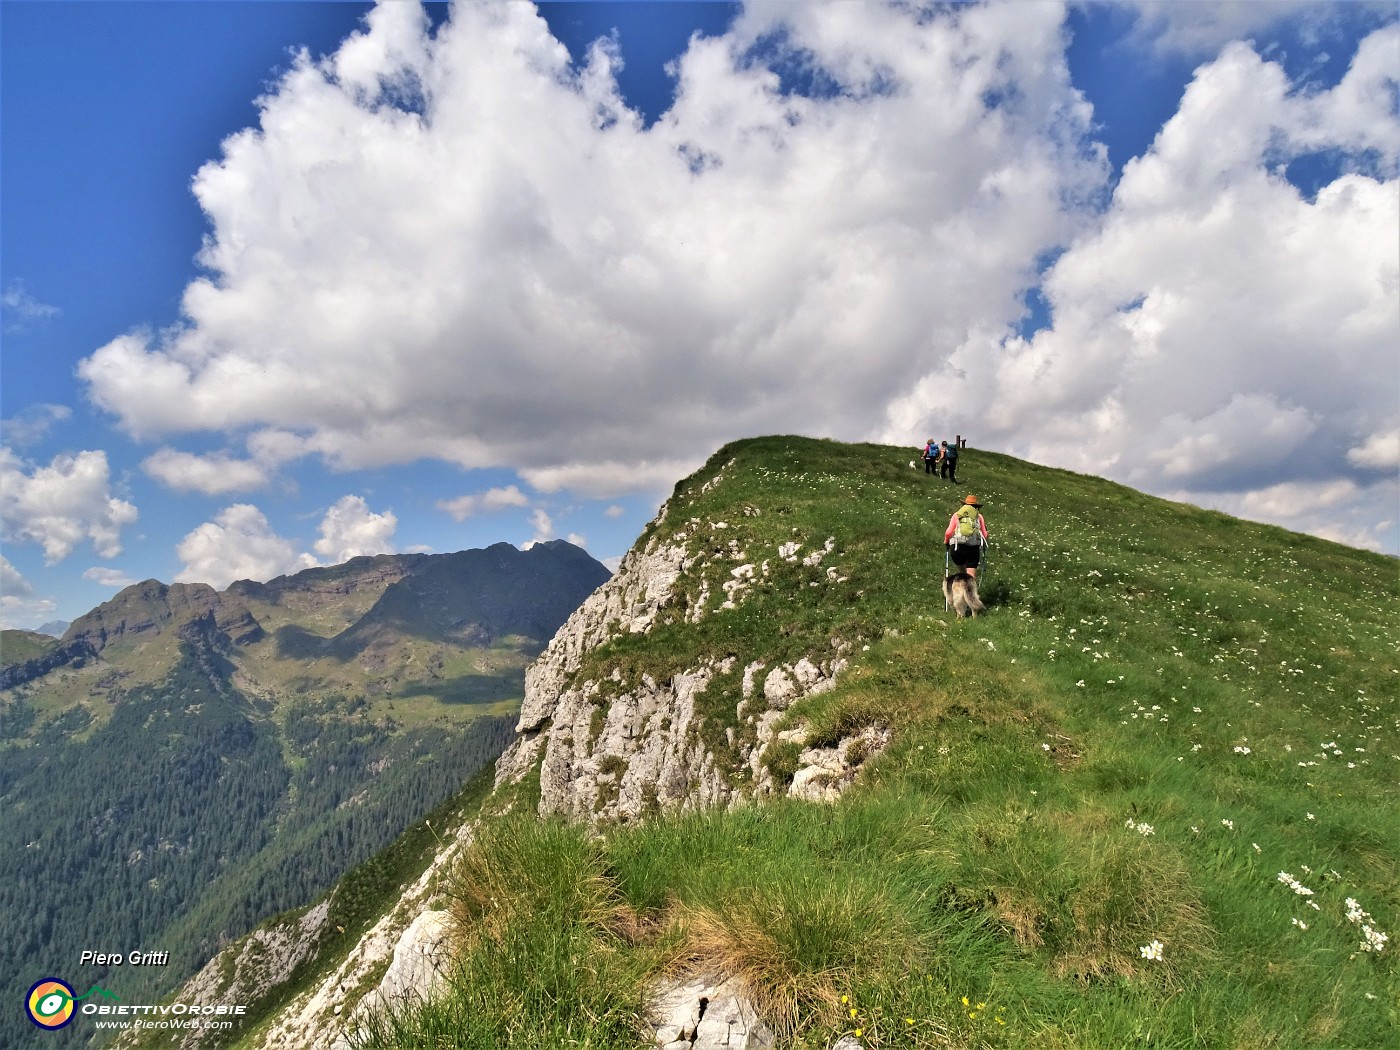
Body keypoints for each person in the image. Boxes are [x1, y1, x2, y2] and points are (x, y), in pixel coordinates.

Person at [944, 494, 988, 577]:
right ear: (976, 507)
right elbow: (984, 535)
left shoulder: (957, 515)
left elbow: (948, 533)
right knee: (970, 577)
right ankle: (971, 589)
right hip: (972, 548)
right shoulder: (979, 517)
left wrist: (946, 542)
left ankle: (961, 588)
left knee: (962, 574)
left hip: (957, 547)